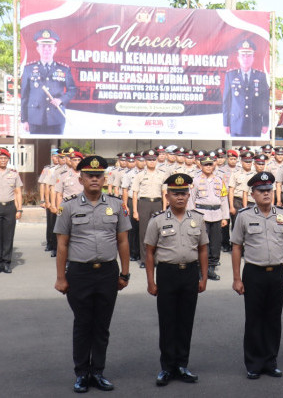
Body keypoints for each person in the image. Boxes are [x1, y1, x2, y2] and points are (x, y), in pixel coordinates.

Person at [53, 155, 131, 393]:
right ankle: (81, 373)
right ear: (81, 178)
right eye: (90, 175)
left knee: (102, 325)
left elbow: (123, 241)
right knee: (83, 323)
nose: (94, 179)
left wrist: (125, 273)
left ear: (104, 178)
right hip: (79, 273)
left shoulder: (117, 205)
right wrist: (60, 277)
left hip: (107, 271)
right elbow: (62, 245)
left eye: (98, 175)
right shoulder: (68, 206)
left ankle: (98, 372)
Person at [231, 171, 283, 379]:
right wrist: (236, 278)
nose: (266, 194)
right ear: (253, 194)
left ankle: (270, 361)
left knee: (273, 318)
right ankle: (254, 363)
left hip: (277, 273)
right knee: (254, 319)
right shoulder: (244, 216)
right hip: (254, 273)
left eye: (269, 190)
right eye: (261, 191)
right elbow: (236, 248)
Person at [144, 173, 208, 387]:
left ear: (189, 195)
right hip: (167, 274)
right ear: (167, 195)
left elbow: (203, 249)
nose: (180, 197)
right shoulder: (157, 220)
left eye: (183, 193)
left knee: (185, 321)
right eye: (175, 193)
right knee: (167, 321)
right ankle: (167, 367)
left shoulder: (197, 219)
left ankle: (182, 364)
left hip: (189, 273)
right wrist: (151, 282)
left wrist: (203, 277)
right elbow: (150, 252)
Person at [20, 29, 77, 135]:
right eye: (43, 46)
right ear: (38, 49)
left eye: (50, 46)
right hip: (35, 118)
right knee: (37, 148)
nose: (46, 49)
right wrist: (24, 120)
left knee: (55, 150)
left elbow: (72, 90)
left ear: (55, 49)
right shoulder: (29, 69)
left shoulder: (64, 69)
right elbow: (24, 96)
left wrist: (61, 100)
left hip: (56, 118)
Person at [189, 152, 229, 281]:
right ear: (201, 166)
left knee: (215, 244)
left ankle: (211, 267)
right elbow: (191, 199)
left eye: (210, 164)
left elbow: (223, 199)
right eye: (205, 164)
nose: (208, 167)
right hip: (202, 216)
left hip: (217, 215)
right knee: (202, 243)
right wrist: (191, 217)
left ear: (214, 166)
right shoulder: (195, 180)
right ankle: (201, 268)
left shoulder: (219, 180)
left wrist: (225, 217)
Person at [223, 39, 270, 137]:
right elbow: (226, 102)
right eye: (243, 56)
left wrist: (265, 123)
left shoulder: (261, 76)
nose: (245, 59)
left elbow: (264, 102)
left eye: (248, 56)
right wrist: (226, 123)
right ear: (238, 58)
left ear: (253, 58)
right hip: (236, 124)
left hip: (255, 124)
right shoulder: (230, 76)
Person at [131, 149, 168, 269]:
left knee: (158, 232)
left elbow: (164, 193)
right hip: (144, 204)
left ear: (157, 160)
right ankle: (144, 259)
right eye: (149, 160)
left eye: (153, 160)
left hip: (157, 203)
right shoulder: (140, 175)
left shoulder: (162, 175)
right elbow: (135, 194)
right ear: (145, 161)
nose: (151, 162)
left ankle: (156, 258)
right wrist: (135, 211)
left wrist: (164, 209)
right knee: (143, 233)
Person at [0, 148, 23, 273]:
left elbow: (18, 192)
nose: (3, 160)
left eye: (5, 158)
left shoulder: (14, 174)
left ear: (8, 160)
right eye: (1, 158)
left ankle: (6, 262)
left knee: (8, 236)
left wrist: (19, 209)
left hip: (9, 207)